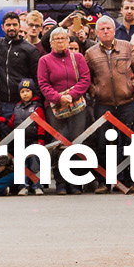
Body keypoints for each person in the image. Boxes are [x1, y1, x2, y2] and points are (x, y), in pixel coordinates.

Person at [85, 16, 134, 194]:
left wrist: (132, 87)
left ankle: (131, 180)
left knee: (129, 142)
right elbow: (86, 78)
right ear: (96, 32)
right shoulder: (90, 53)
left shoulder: (127, 47)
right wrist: (95, 91)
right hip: (103, 105)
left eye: (108, 28)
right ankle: (105, 182)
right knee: (104, 143)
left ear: (114, 30)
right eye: (102, 29)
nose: (105, 31)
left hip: (127, 103)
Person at [37, 27, 92, 195]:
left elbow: (85, 79)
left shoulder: (79, 58)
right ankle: (61, 183)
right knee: (58, 143)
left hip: (77, 107)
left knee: (76, 143)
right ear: (51, 43)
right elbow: (43, 84)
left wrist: (71, 96)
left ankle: (75, 182)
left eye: (63, 38)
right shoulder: (44, 61)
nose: (60, 41)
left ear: (68, 41)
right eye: (57, 39)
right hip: (55, 108)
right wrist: (58, 98)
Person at [0, 12, 41, 120]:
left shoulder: (30, 49)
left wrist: (35, 102)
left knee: (19, 136)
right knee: (1, 135)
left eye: (14, 25)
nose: (11, 28)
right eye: (8, 25)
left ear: (20, 26)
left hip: (21, 103)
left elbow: (37, 77)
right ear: (2, 27)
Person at [10, 79, 45, 196]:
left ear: (33, 92)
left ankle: (37, 186)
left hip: (34, 140)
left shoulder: (37, 108)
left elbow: (41, 125)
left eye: (28, 91)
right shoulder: (17, 108)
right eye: (22, 91)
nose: (25, 94)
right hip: (20, 140)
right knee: (22, 164)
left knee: (35, 163)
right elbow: (12, 123)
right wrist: (3, 121)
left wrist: (41, 140)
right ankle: (23, 186)